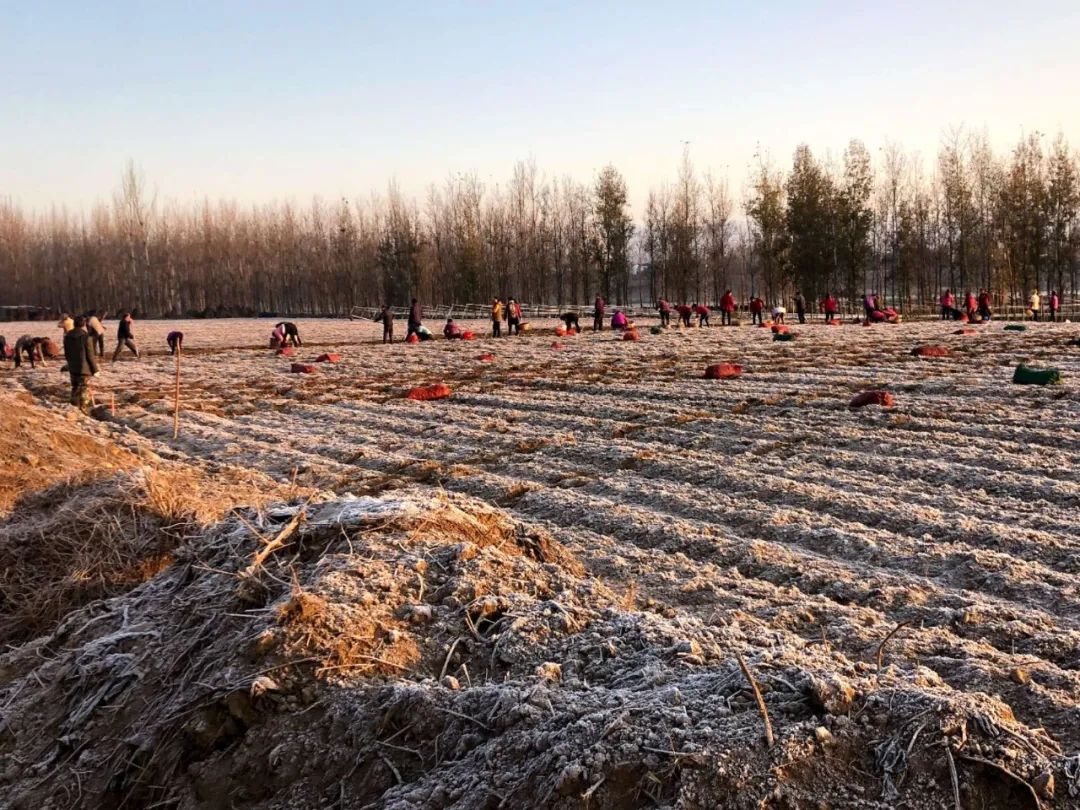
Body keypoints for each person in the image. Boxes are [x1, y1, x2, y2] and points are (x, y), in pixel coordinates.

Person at [63, 316, 99, 412]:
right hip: (84, 368)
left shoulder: (67, 336)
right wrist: (95, 370)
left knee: (75, 387)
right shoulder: (86, 337)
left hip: (73, 367)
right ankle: (84, 411)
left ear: (74, 324)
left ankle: (74, 408)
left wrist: (69, 363)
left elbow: (66, 353)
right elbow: (90, 355)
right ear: (83, 324)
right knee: (84, 390)